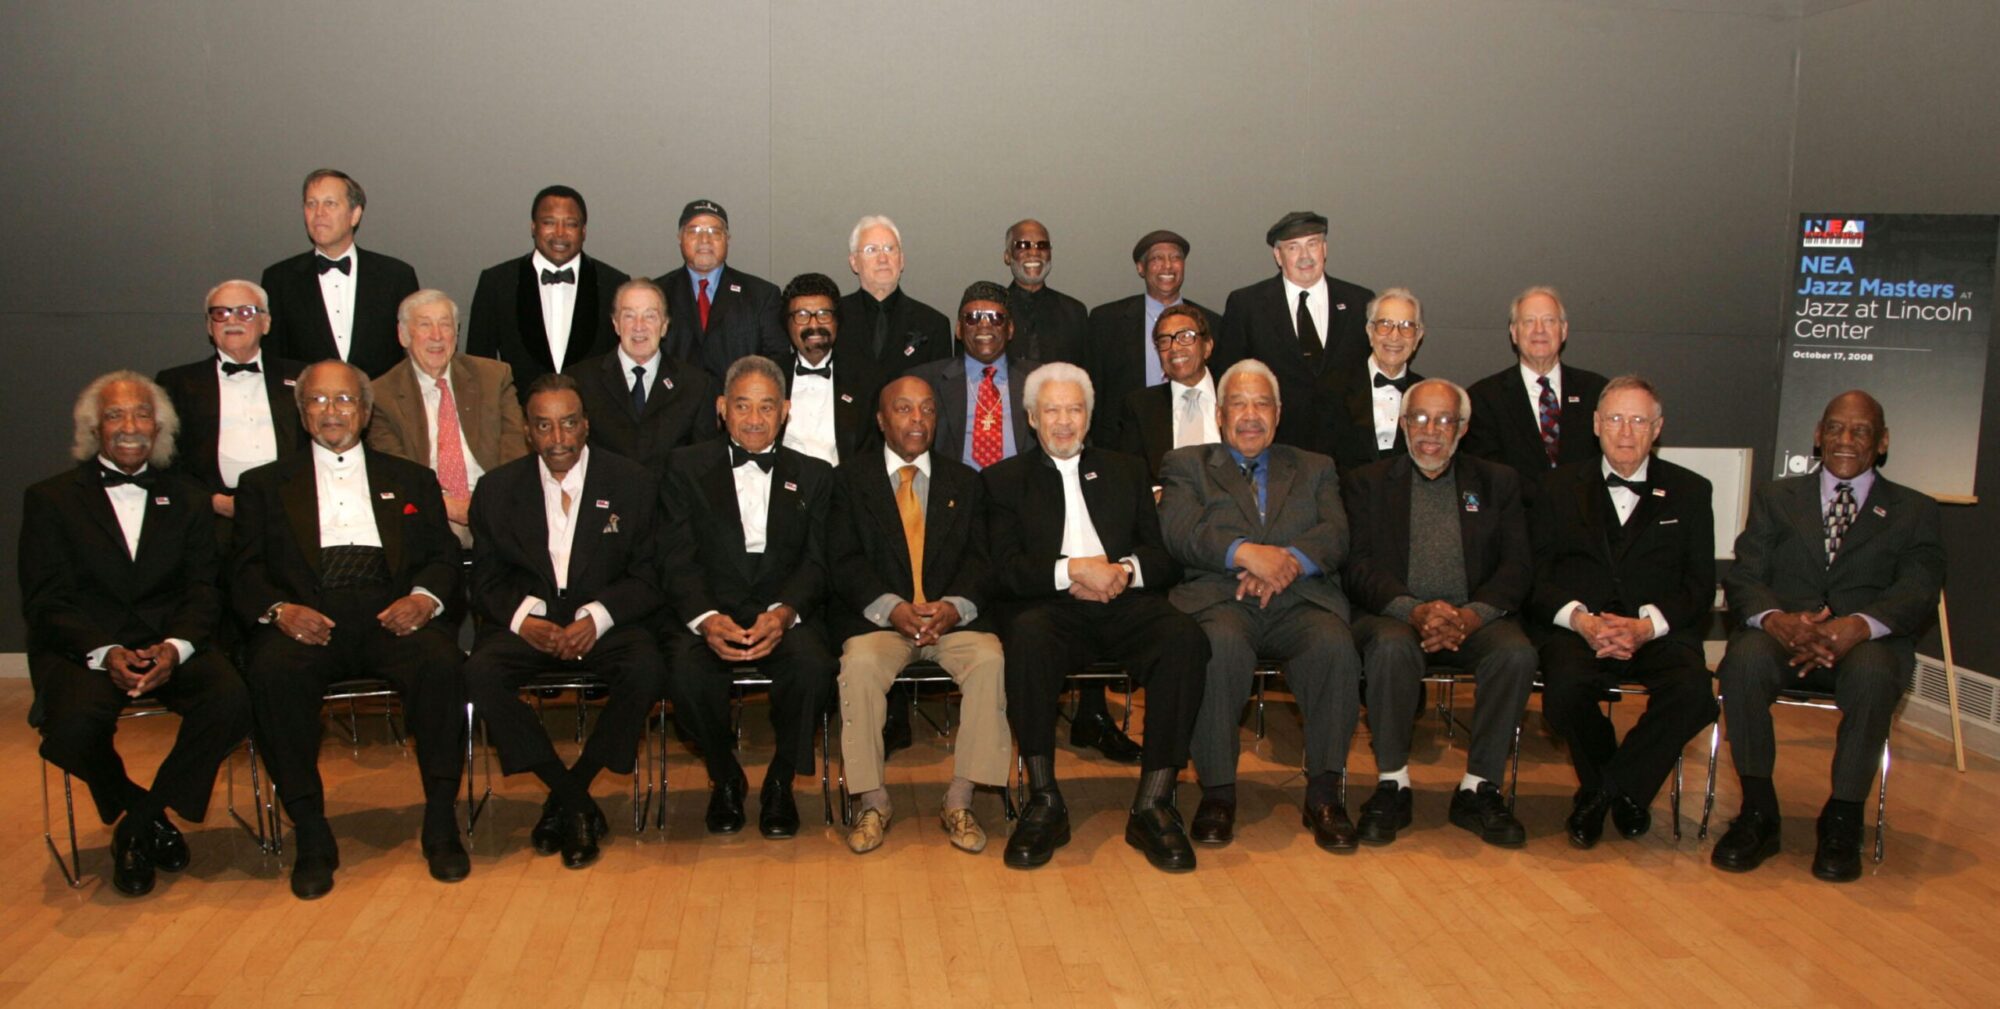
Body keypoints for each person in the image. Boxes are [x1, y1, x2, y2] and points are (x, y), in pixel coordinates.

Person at [232, 360, 467, 899]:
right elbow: (242, 571)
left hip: (393, 612)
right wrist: (279, 611)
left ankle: (440, 820)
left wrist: (424, 599)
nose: (331, 411)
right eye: (318, 401)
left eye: (343, 400)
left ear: (364, 411)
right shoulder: (263, 485)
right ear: (302, 413)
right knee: (272, 673)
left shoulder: (411, 478)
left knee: (442, 664)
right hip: (308, 617)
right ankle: (311, 831)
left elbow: (443, 557)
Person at [20, 372, 252, 896]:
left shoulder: (188, 498)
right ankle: (144, 812)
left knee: (232, 701)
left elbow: (204, 589)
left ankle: (138, 824)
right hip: (87, 650)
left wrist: (175, 648)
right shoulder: (50, 499)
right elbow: (45, 600)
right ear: (93, 428)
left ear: (160, 428)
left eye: (142, 414)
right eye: (115, 415)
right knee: (71, 727)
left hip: (169, 643)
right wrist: (104, 652)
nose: (130, 426)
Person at [983, 362, 1209, 872]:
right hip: (1049, 607)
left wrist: (1121, 571)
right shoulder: (1003, 481)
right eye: (1052, 411)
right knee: (1026, 639)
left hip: (1122, 600)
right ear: (1032, 418)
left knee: (1184, 638)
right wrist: (1072, 570)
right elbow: (1004, 570)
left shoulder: (1126, 469)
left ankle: (1154, 802)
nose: (1064, 422)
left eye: (1075, 410)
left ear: (1089, 416)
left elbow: (1162, 558)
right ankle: (1044, 800)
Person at [1710, 390, 1944, 882]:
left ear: (1882, 442)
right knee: (1744, 662)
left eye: (1861, 431)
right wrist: (1777, 620)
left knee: (1875, 675)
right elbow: (1745, 575)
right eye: (1835, 428)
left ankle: (1842, 819)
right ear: (1818, 436)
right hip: (1783, 636)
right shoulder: (1777, 498)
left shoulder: (1914, 510)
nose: (1845, 440)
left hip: (1867, 644)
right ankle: (1758, 812)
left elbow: (1919, 590)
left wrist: (1858, 626)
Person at [463, 374, 667, 869]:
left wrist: (597, 617)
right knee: (479, 673)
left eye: (569, 423)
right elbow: (484, 580)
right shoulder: (496, 489)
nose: (558, 438)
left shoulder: (632, 482)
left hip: (603, 622)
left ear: (586, 425)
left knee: (647, 667)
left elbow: (650, 575)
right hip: (530, 625)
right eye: (544, 426)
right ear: (527, 432)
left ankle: (571, 791)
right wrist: (524, 620)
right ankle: (574, 800)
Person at [1158, 360, 1361, 851]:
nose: (1251, 415)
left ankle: (1325, 793)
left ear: (1279, 413)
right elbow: (1181, 532)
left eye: (1262, 404)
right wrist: (1246, 554)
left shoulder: (1315, 467)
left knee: (1334, 646)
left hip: (1300, 599)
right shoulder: (1186, 465)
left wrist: (1286, 562)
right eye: (1239, 404)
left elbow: (1336, 533)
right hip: (1222, 598)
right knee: (1217, 647)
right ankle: (1218, 793)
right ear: (1220, 415)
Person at [1341, 379, 1537, 849]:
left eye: (1445, 420)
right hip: (1396, 615)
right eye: (1421, 418)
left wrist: (1471, 616)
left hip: (1476, 619)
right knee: (1390, 648)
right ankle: (1393, 783)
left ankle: (1478, 788)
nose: (1431, 431)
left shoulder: (1497, 482)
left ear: (1463, 428)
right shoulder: (1368, 482)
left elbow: (1517, 567)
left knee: (1516, 654)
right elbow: (1358, 567)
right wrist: (1415, 611)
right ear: (1403, 424)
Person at [1529, 376, 1717, 850]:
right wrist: (1580, 619)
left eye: (1638, 420)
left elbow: (1699, 586)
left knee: (1694, 692)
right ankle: (1625, 792)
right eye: (1615, 419)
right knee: (1564, 689)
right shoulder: (1555, 488)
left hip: (1656, 632)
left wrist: (1646, 627)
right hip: (1580, 630)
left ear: (1658, 428)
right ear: (1596, 425)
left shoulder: (1691, 491)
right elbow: (1534, 578)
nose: (1626, 432)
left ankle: (1606, 791)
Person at [825, 376, 1010, 855]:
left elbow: (982, 559)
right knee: (859, 666)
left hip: (950, 622)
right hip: (881, 621)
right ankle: (873, 801)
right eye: (903, 408)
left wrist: (954, 608)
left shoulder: (965, 482)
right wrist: (891, 608)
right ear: (881, 420)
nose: (917, 419)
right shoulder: (848, 481)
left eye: (927, 409)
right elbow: (842, 560)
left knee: (990, 660)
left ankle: (960, 799)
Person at [658, 356, 837, 839]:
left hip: (782, 610)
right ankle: (725, 776)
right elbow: (674, 557)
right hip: (711, 607)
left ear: (786, 411)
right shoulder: (684, 467)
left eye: (766, 407)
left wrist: (784, 614)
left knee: (814, 667)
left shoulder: (816, 475)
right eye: (742, 406)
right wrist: (706, 618)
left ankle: (780, 780)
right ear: (722, 408)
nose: (754, 419)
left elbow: (818, 562)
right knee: (684, 672)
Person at [366, 290, 528, 546]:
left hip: (495, 501)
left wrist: (487, 502)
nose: (437, 336)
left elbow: (515, 448)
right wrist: (447, 505)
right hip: (429, 507)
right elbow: (397, 470)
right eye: (425, 325)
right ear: (403, 335)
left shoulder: (493, 376)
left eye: (445, 325)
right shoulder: (381, 394)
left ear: (456, 333)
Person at [156, 279, 307, 539]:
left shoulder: (303, 377)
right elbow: (165, 459)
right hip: (213, 519)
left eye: (245, 312)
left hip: (290, 513)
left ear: (266, 323)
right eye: (220, 313)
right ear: (209, 325)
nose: (232, 320)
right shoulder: (177, 383)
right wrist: (212, 501)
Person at [1214, 211, 1374, 453]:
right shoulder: (1247, 305)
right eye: (1293, 247)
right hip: (1276, 451)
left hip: (1347, 451)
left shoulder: (1359, 302)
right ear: (1278, 256)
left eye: (1313, 244)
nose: (1305, 256)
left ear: (1325, 249)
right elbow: (1228, 380)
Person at [466, 185, 630, 400]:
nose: (560, 233)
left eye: (570, 224)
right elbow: (478, 366)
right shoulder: (497, 283)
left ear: (583, 231)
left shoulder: (614, 284)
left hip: (593, 416)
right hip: (518, 416)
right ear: (533, 227)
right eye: (549, 223)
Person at [260, 168, 419, 377]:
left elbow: (414, 353)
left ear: (355, 215)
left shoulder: (396, 276)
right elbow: (274, 359)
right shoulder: (279, 279)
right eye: (311, 204)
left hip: (381, 397)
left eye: (330, 203)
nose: (319, 213)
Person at [1461, 286, 1609, 498]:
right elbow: (1486, 474)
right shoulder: (1483, 398)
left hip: (1584, 514)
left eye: (1549, 321)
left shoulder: (1596, 392)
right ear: (1514, 332)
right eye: (1529, 321)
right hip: (1516, 514)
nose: (1539, 330)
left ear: (1564, 330)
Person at [565, 278, 719, 474]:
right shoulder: (580, 381)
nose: (639, 326)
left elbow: (704, 464)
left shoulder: (697, 385)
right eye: (629, 316)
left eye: (650, 316)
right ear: (615, 324)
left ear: (664, 326)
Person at [1085, 229, 1218, 451]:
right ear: (1141, 268)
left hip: (1193, 437)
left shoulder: (1212, 322)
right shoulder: (1106, 321)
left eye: (1175, 258)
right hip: (1125, 446)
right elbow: (1094, 388)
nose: (1168, 266)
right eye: (1157, 258)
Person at [905, 282, 1041, 472]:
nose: (984, 325)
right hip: (954, 486)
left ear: (1010, 329)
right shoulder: (924, 380)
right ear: (959, 329)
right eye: (972, 318)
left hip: (1020, 486)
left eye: (996, 318)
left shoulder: (1040, 379)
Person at [653, 199, 788, 380]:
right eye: (694, 231)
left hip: (738, 397)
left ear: (727, 239)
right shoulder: (657, 293)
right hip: (674, 397)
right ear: (680, 238)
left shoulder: (762, 295)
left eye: (714, 232)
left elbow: (777, 360)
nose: (704, 240)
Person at [1322, 287, 1426, 476]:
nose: (1395, 336)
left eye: (1406, 326)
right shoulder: (1332, 387)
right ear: (1370, 332)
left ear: (1418, 337)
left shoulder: (1426, 394)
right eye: (1385, 324)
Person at [779, 272, 879, 466]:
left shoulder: (866, 380)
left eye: (824, 314)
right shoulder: (769, 377)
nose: (814, 325)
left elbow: (871, 453)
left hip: (842, 482)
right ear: (787, 324)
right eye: (802, 315)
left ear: (837, 321)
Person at [1116, 303, 1220, 484]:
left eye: (1185, 337)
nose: (1175, 347)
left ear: (1207, 346)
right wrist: (1156, 494)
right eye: (1164, 341)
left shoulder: (1235, 397)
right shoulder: (1140, 407)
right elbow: (1130, 474)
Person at [835, 215, 953, 373]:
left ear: (901, 260)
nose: (883, 258)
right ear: (854, 262)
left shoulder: (933, 325)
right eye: (871, 250)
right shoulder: (832, 318)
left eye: (890, 249)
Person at [1002, 218, 1088, 366]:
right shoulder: (993, 312)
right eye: (1023, 245)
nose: (1034, 252)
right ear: (1007, 256)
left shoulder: (1074, 312)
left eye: (1042, 245)